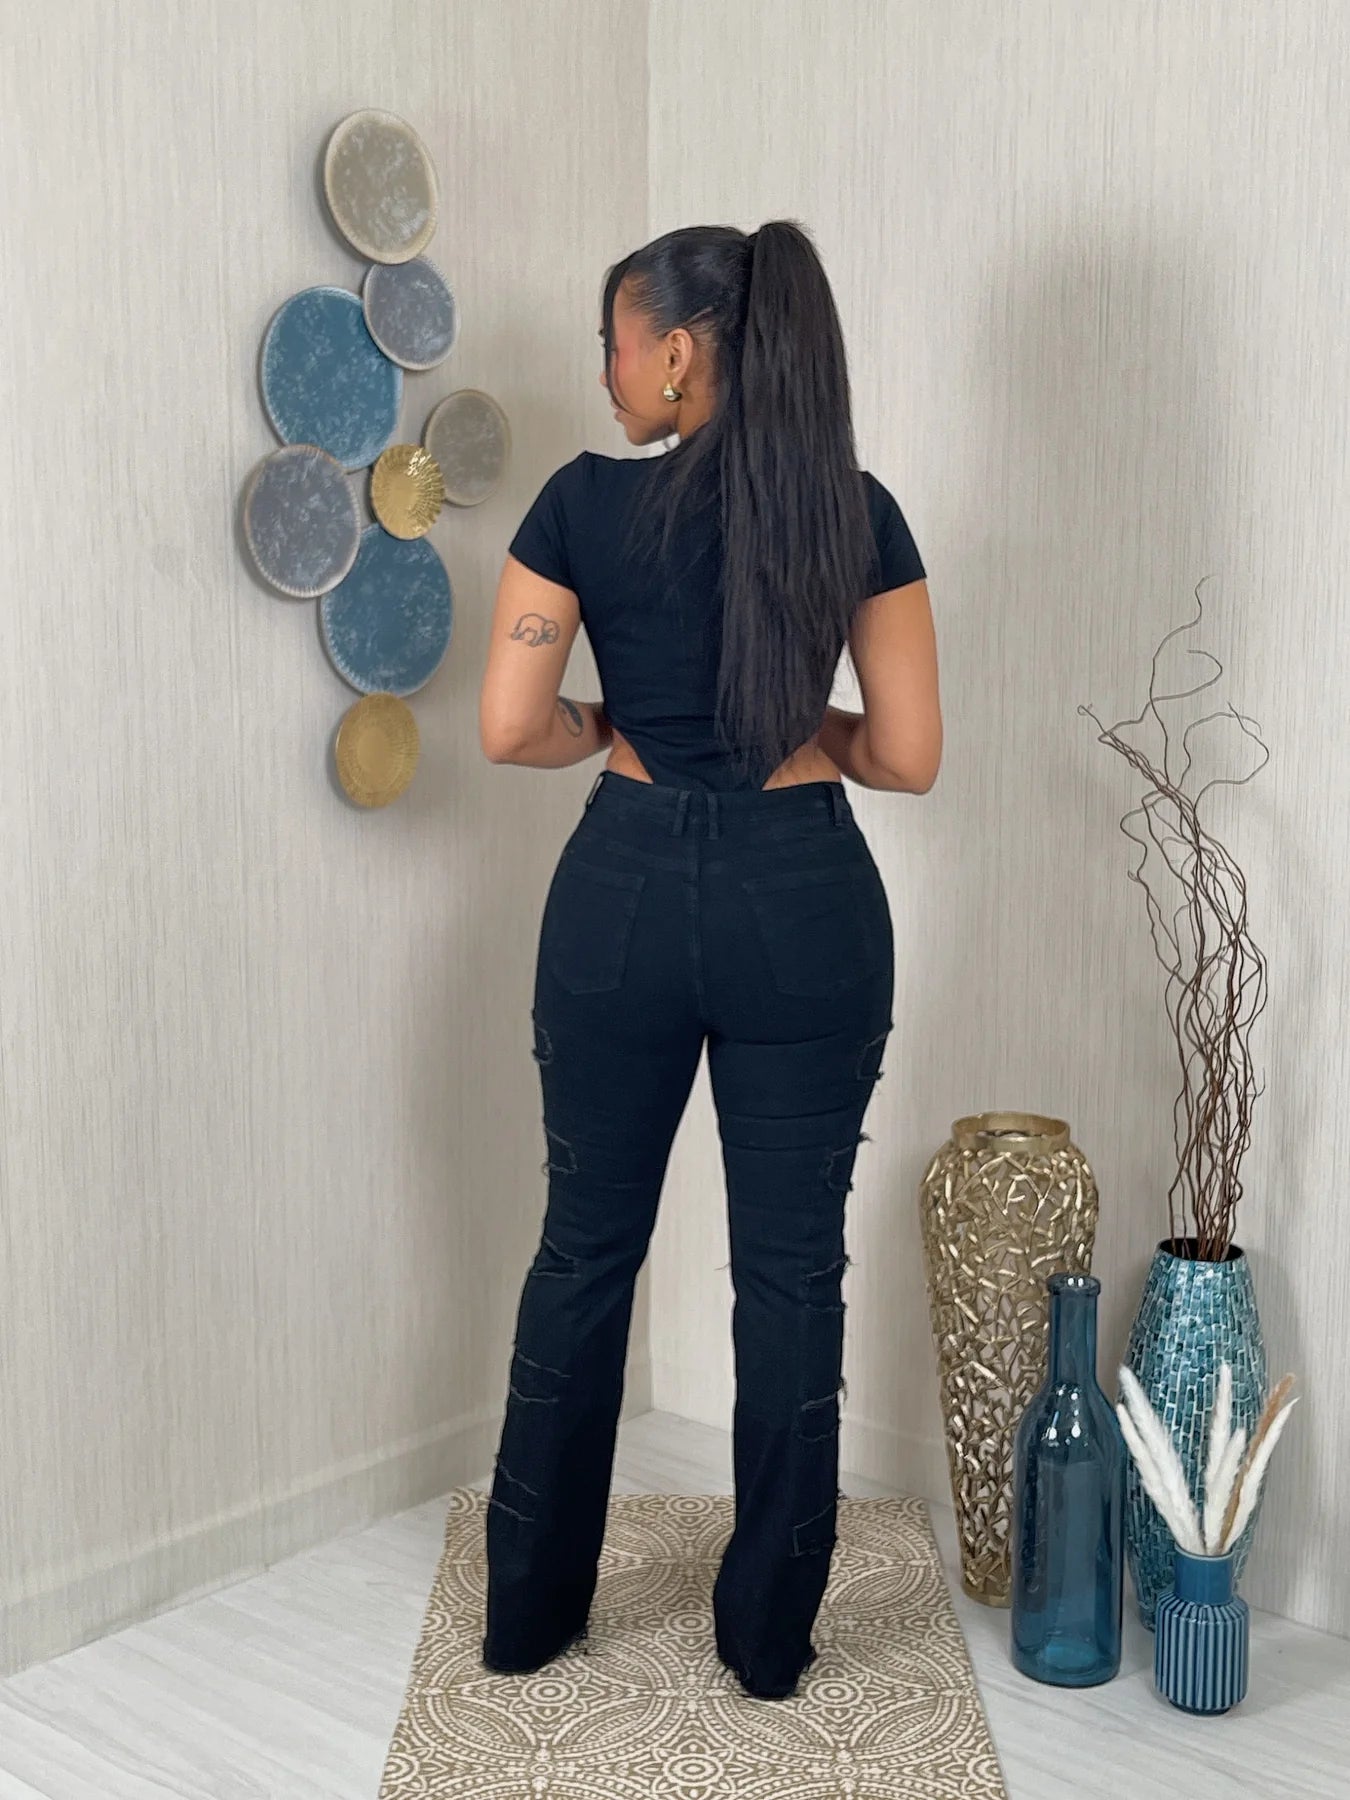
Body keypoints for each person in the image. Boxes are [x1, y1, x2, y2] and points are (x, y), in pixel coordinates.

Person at [476, 219, 941, 1701]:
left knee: (582, 1251)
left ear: (676, 350)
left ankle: (529, 1615)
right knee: (791, 1278)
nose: (604, 370)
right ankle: (763, 1644)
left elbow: (508, 725)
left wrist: (611, 733)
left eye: (614, 340)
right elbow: (911, 756)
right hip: (803, 908)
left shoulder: (575, 511)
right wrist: (806, 738)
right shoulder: (851, 513)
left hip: (617, 896)